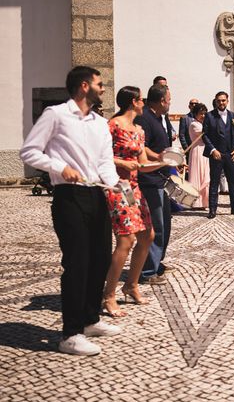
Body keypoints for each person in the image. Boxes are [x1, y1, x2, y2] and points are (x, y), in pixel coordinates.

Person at [20, 66, 122, 355]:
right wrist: (60, 167)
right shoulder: (56, 114)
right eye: (100, 84)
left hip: (97, 196)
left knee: (100, 259)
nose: (103, 88)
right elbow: (29, 151)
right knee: (77, 263)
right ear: (84, 85)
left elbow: (105, 164)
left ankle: (90, 319)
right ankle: (70, 333)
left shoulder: (100, 123)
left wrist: (118, 187)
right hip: (69, 197)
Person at [103, 86, 165, 317]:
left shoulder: (139, 130)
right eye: (141, 100)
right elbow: (98, 155)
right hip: (116, 186)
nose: (144, 103)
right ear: (133, 101)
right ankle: (109, 295)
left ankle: (131, 284)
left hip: (133, 188)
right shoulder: (113, 125)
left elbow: (143, 163)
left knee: (147, 235)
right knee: (126, 240)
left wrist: (167, 162)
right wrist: (120, 162)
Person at [135, 83, 173, 284]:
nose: (169, 103)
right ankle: (147, 271)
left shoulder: (159, 118)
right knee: (155, 227)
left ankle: (156, 263)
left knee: (165, 224)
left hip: (160, 179)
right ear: (160, 101)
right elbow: (142, 146)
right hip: (149, 180)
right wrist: (159, 157)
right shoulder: (145, 119)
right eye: (168, 100)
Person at [201, 91, 234, 219]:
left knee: (232, 182)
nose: (221, 103)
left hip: (231, 154)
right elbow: (204, 135)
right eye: (219, 101)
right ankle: (212, 209)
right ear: (216, 102)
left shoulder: (233, 116)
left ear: (227, 101)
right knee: (214, 182)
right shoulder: (210, 116)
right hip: (216, 154)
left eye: (223, 100)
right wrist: (212, 150)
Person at [187, 103, 209, 208]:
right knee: (197, 176)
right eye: (201, 114)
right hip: (197, 151)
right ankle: (196, 202)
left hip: (205, 151)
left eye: (204, 114)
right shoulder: (194, 124)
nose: (203, 116)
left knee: (205, 175)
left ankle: (205, 202)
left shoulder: (203, 124)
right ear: (195, 114)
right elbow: (205, 133)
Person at [178, 98, 200, 166]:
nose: (193, 105)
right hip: (190, 149)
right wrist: (186, 148)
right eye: (192, 104)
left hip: (200, 149)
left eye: (195, 104)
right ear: (189, 106)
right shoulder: (184, 118)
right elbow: (182, 135)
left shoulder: (202, 117)